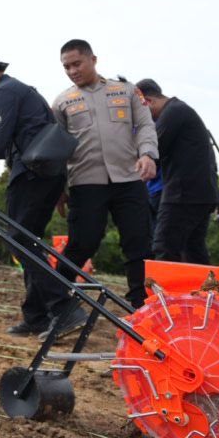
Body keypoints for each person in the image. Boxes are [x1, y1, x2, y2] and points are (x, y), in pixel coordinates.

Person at [0, 52, 82, 336]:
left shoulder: (4, 92)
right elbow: (13, 139)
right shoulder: (24, 90)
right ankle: (36, 315)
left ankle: (63, 307)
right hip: (47, 173)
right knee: (28, 241)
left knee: (18, 239)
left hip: (31, 174)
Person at [51, 41, 158, 308]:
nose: (72, 71)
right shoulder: (62, 101)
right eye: (67, 67)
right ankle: (55, 299)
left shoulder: (126, 91)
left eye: (77, 64)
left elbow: (145, 125)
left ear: (93, 59)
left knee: (139, 243)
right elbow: (56, 147)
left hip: (128, 178)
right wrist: (58, 189)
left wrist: (147, 154)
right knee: (82, 243)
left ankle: (140, 305)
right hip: (86, 183)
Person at [135, 79, 218, 265]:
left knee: (164, 246)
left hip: (183, 194)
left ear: (148, 101)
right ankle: (202, 285)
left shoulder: (172, 112)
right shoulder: (179, 110)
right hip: (200, 193)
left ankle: (164, 285)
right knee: (192, 251)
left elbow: (152, 149)